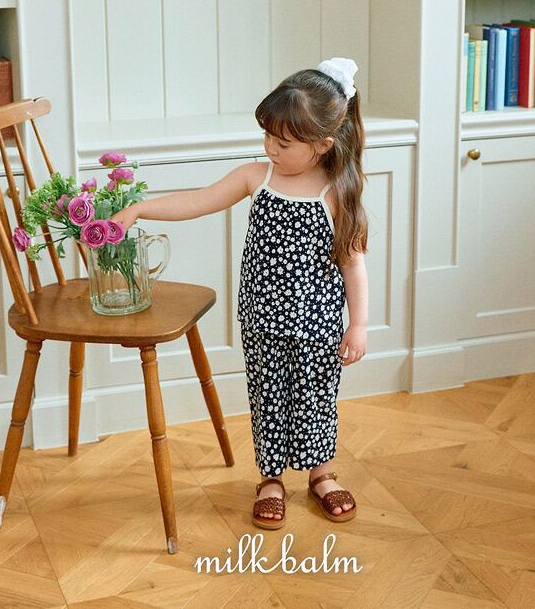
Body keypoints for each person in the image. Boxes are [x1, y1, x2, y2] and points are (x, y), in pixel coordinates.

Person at [111, 57, 369, 530]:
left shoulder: (335, 192)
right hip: (261, 320)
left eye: (283, 143)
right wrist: (140, 209)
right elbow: (198, 201)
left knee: (316, 398)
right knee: (267, 398)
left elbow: (353, 263)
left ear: (322, 145)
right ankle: (270, 480)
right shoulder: (257, 177)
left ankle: (321, 474)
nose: (270, 148)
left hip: (319, 325)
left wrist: (359, 325)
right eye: (267, 136)